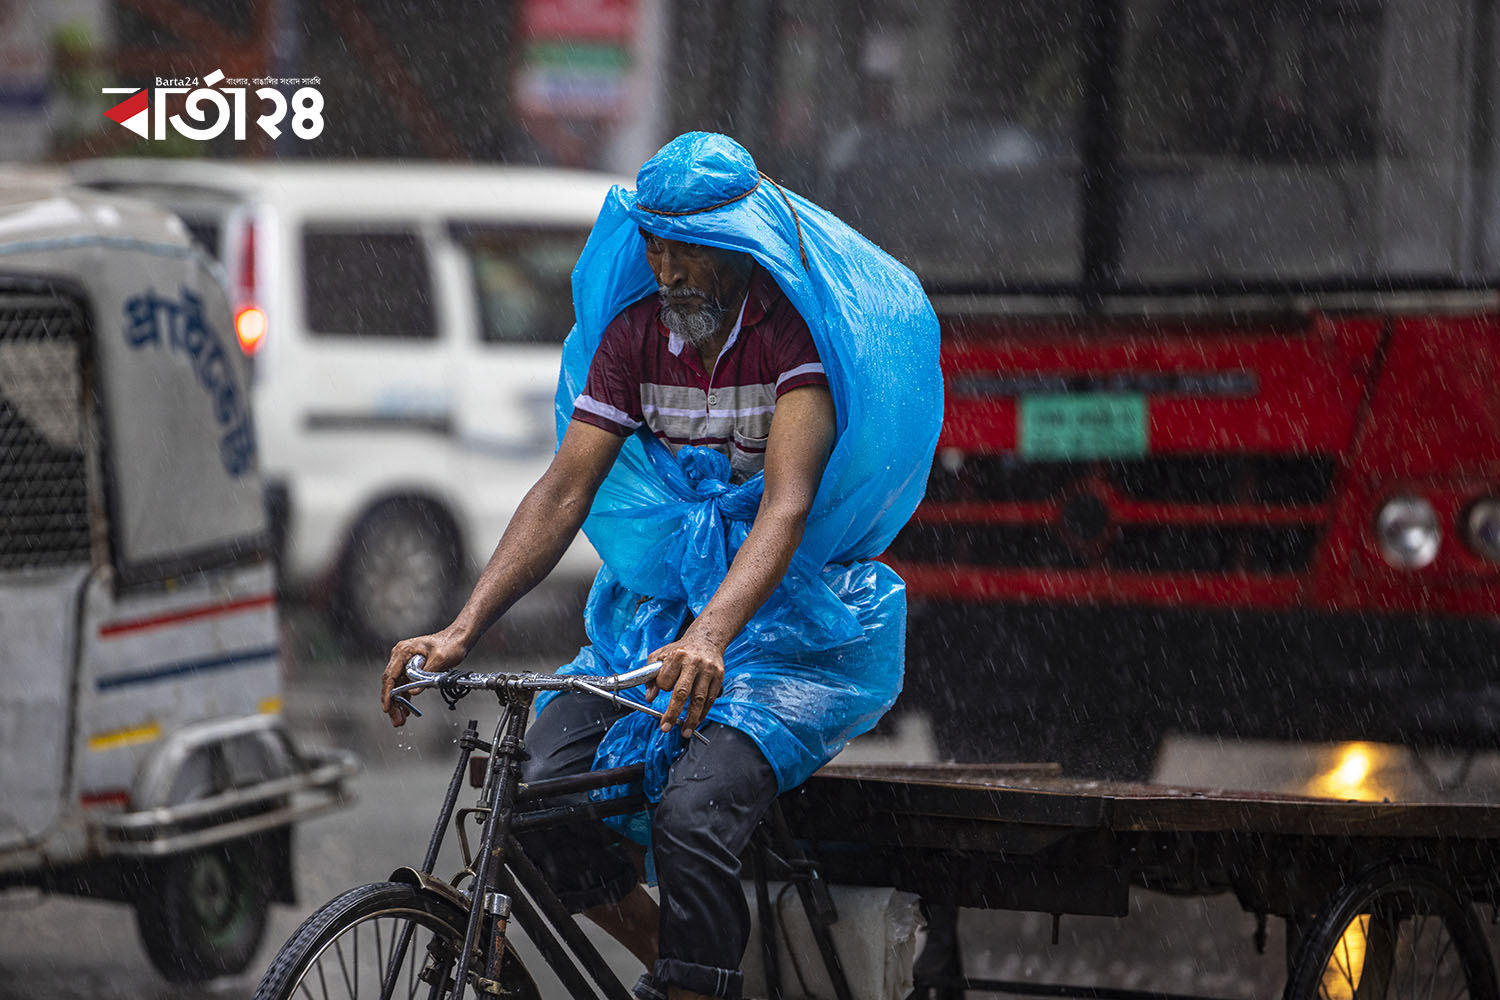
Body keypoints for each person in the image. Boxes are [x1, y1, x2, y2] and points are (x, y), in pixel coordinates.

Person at [381, 132, 941, 1000]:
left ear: (739, 247)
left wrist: (713, 634)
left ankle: (699, 981)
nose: (669, 268)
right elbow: (563, 492)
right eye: (655, 245)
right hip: (651, 633)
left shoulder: (793, 342)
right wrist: (461, 628)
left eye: (690, 248)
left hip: (787, 632)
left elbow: (786, 504)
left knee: (694, 811)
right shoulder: (635, 341)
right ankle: (691, 969)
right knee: (533, 798)